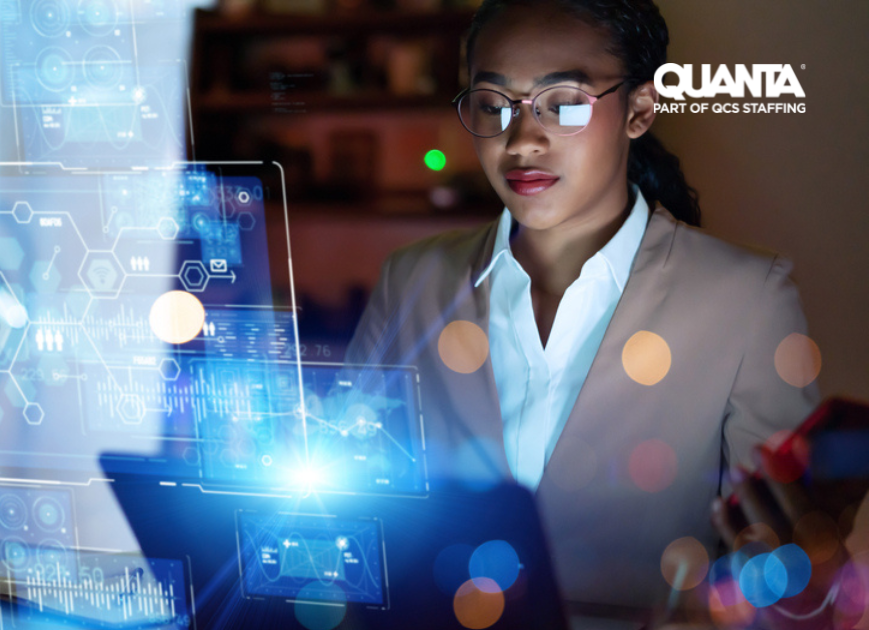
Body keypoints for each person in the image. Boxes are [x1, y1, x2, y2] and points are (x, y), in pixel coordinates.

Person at [343, 0, 825, 619]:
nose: (522, 141)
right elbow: (354, 512)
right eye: (494, 105)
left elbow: (784, 581)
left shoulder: (746, 298)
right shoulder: (412, 280)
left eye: (564, 102)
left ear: (640, 110)